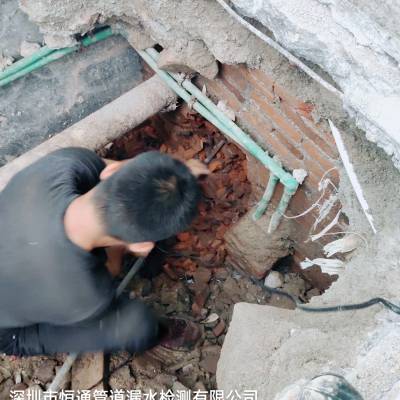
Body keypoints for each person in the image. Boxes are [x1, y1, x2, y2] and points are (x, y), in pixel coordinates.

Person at [0, 147, 207, 356]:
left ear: (111, 171)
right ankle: (159, 333)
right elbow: (112, 268)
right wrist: (118, 248)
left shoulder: (64, 164)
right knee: (136, 326)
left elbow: (109, 168)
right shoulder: (86, 297)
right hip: (8, 331)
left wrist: (176, 175)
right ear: (140, 246)